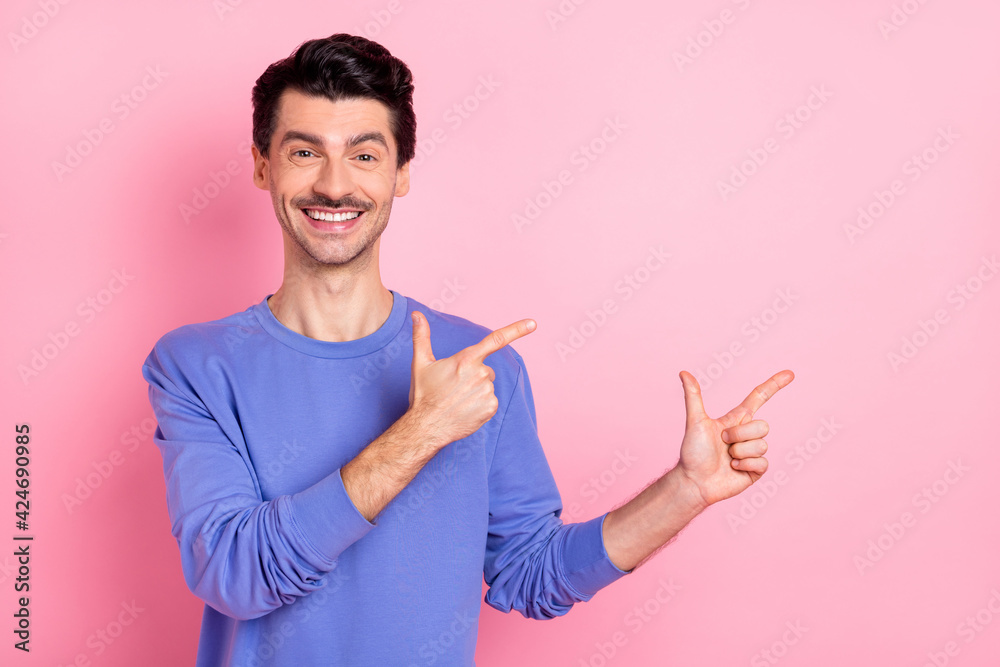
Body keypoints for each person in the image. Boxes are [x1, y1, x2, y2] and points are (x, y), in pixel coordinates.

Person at [141, 33, 794, 666]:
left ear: (401, 174)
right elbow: (235, 573)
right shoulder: (196, 366)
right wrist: (420, 431)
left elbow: (532, 574)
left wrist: (684, 490)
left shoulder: (481, 365)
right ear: (263, 165)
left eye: (365, 155)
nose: (335, 185)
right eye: (305, 152)